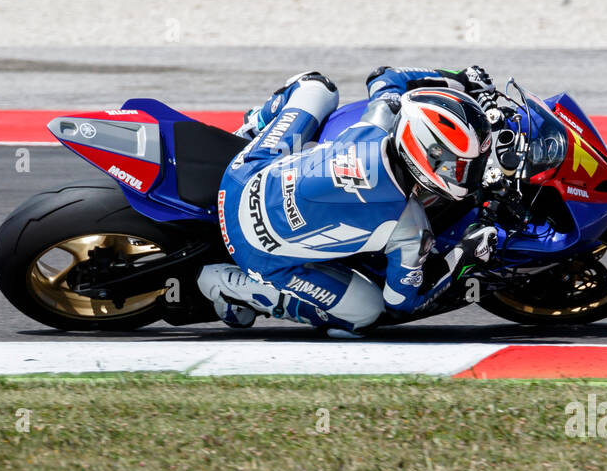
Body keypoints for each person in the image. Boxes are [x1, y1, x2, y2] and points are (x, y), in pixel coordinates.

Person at [196, 66, 500, 338]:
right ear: (427, 155)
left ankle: (255, 126)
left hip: (243, 174)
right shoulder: (409, 228)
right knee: (366, 315)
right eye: (459, 165)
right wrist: (466, 255)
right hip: (257, 252)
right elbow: (400, 304)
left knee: (316, 85)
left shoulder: (379, 121)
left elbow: (384, 76)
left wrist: (458, 79)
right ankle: (253, 293)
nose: (468, 173)